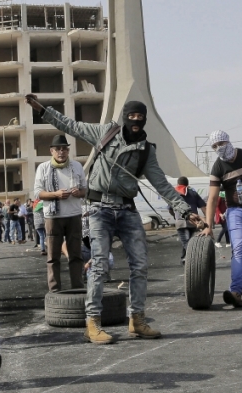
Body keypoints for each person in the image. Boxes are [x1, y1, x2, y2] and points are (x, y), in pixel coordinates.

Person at [28, 95, 192, 344]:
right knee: (100, 264)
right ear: (125, 117)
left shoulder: (147, 150)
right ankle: (92, 323)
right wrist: (43, 111)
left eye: (140, 117)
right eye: (132, 116)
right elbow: (71, 125)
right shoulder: (106, 133)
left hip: (127, 210)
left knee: (140, 265)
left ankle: (136, 320)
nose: (136, 121)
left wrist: (185, 209)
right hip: (99, 209)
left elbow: (162, 185)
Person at [201, 130, 242, 309]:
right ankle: (236, 292)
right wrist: (208, 225)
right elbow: (212, 199)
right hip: (235, 211)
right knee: (239, 249)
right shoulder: (218, 167)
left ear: (228, 141)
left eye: (221, 143)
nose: (219, 148)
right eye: (215, 146)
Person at [33, 134, 87, 292]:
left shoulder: (76, 166)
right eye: (58, 149)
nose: (61, 152)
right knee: (53, 257)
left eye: (64, 149)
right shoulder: (43, 168)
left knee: (76, 255)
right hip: (53, 217)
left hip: (74, 215)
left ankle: (77, 287)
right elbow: (37, 193)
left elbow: (86, 189)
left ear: (68, 151)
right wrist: (55, 194)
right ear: (51, 151)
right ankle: (55, 290)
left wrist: (79, 192)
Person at [168, 177, 207, 265]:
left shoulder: (174, 194)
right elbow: (203, 207)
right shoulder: (193, 193)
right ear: (187, 184)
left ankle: (194, 259)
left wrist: (175, 216)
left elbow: (170, 209)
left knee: (186, 241)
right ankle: (184, 258)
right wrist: (207, 219)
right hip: (193, 222)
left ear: (178, 184)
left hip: (181, 222)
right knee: (188, 240)